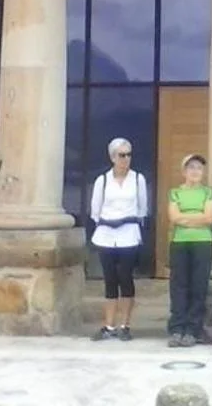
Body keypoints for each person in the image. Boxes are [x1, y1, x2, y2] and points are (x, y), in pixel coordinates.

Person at [89, 137, 149, 342]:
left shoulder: (138, 179)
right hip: (106, 235)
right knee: (110, 279)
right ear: (113, 157)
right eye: (122, 155)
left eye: (128, 155)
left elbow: (142, 208)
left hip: (128, 234)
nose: (126, 159)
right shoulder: (103, 180)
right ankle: (109, 325)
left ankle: (125, 325)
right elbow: (95, 210)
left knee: (126, 278)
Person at [166, 153, 212, 348]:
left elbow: (209, 217)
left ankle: (193, 330)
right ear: (184, 171)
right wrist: (197, 217)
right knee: (178, 286)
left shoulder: (208, 192)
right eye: (191, 167)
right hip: (180, 242)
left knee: (198, 286)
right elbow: (174, 217)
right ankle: (177, 328)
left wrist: (186, 219)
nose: (195, 171)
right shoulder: (175, 193)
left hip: (203, 243)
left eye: (199, 168)